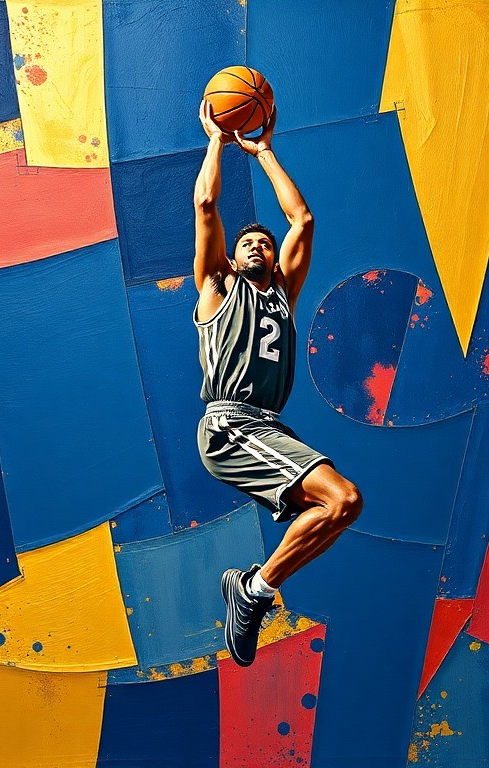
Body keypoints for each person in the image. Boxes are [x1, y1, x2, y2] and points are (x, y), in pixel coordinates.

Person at [193, 100, 363, 667]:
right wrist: (217, 140)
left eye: (264, 243)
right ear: (233, 255)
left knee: (341, 507)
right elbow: (206, 203)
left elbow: (303, 221)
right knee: (343, 498)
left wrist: (263, 150)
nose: (256, 245)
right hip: (230, 424)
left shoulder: (282, 295)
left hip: (268, 429)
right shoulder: (217, 285)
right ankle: (254, 592)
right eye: (247, 242)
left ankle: (255, 589)